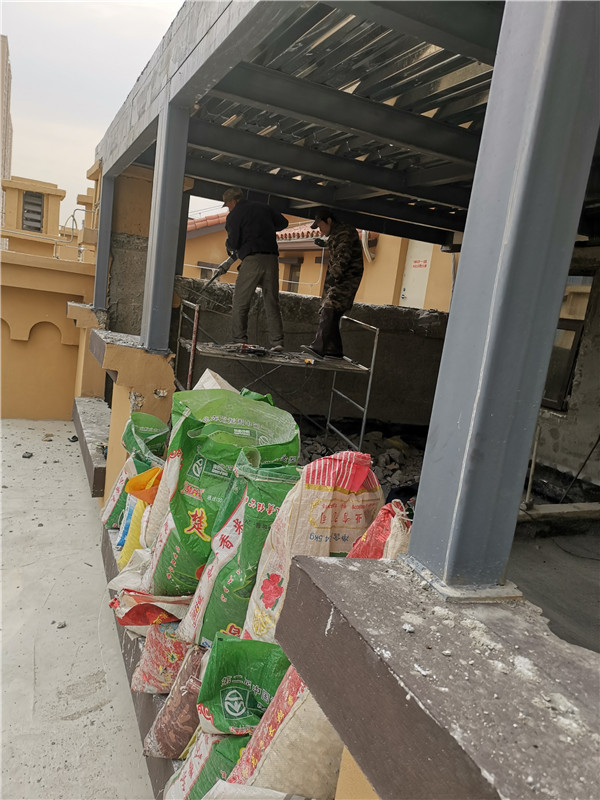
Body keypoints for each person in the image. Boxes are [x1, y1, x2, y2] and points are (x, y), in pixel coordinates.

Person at [223, 187, 289, 352]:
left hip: (252, 259)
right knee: (272, 301)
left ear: (233, 201)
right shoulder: (263, 207)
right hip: (271, 258)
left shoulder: (235, 215)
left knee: (241, 301)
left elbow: (234, 243)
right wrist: (265, 228)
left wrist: (228, 244)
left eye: (228, 204)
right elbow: (283, 223)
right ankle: (277, 342)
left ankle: (239, 340)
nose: (228, 208)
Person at [302, 207, 364, 359]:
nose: (321, 231)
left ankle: (318, 348)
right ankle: (334, 350)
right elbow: (338, 247)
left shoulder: (344, 233)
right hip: (342, 278)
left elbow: (342, 258)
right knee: (334, 313)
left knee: (329, 307)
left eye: (321, 226)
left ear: (329, 221)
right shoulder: (338, 234)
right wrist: (325, 244)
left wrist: (332, 282)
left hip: (346, 278)